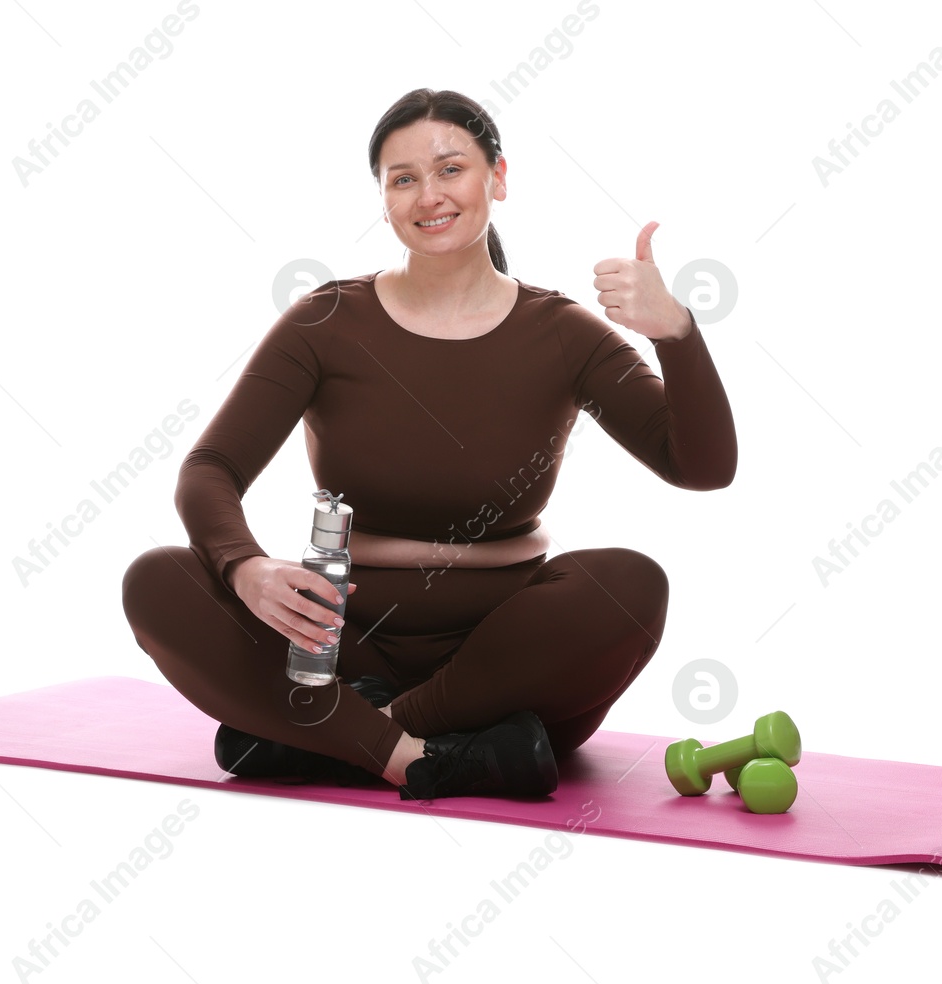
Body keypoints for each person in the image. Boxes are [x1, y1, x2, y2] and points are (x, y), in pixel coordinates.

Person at [120, 87, 736, 801]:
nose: (428, 195)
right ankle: (431, 756)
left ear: (497, 178)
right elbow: (210, 469)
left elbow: (702, 467)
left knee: (631, 587)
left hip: (505, 669)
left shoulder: (562, 334)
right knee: (158, 579)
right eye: (402, 178)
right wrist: (247, 568)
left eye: (451, 169)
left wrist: (677, 335)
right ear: (382, 197)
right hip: (341, 650)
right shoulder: (326, 322)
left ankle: (338, 738)